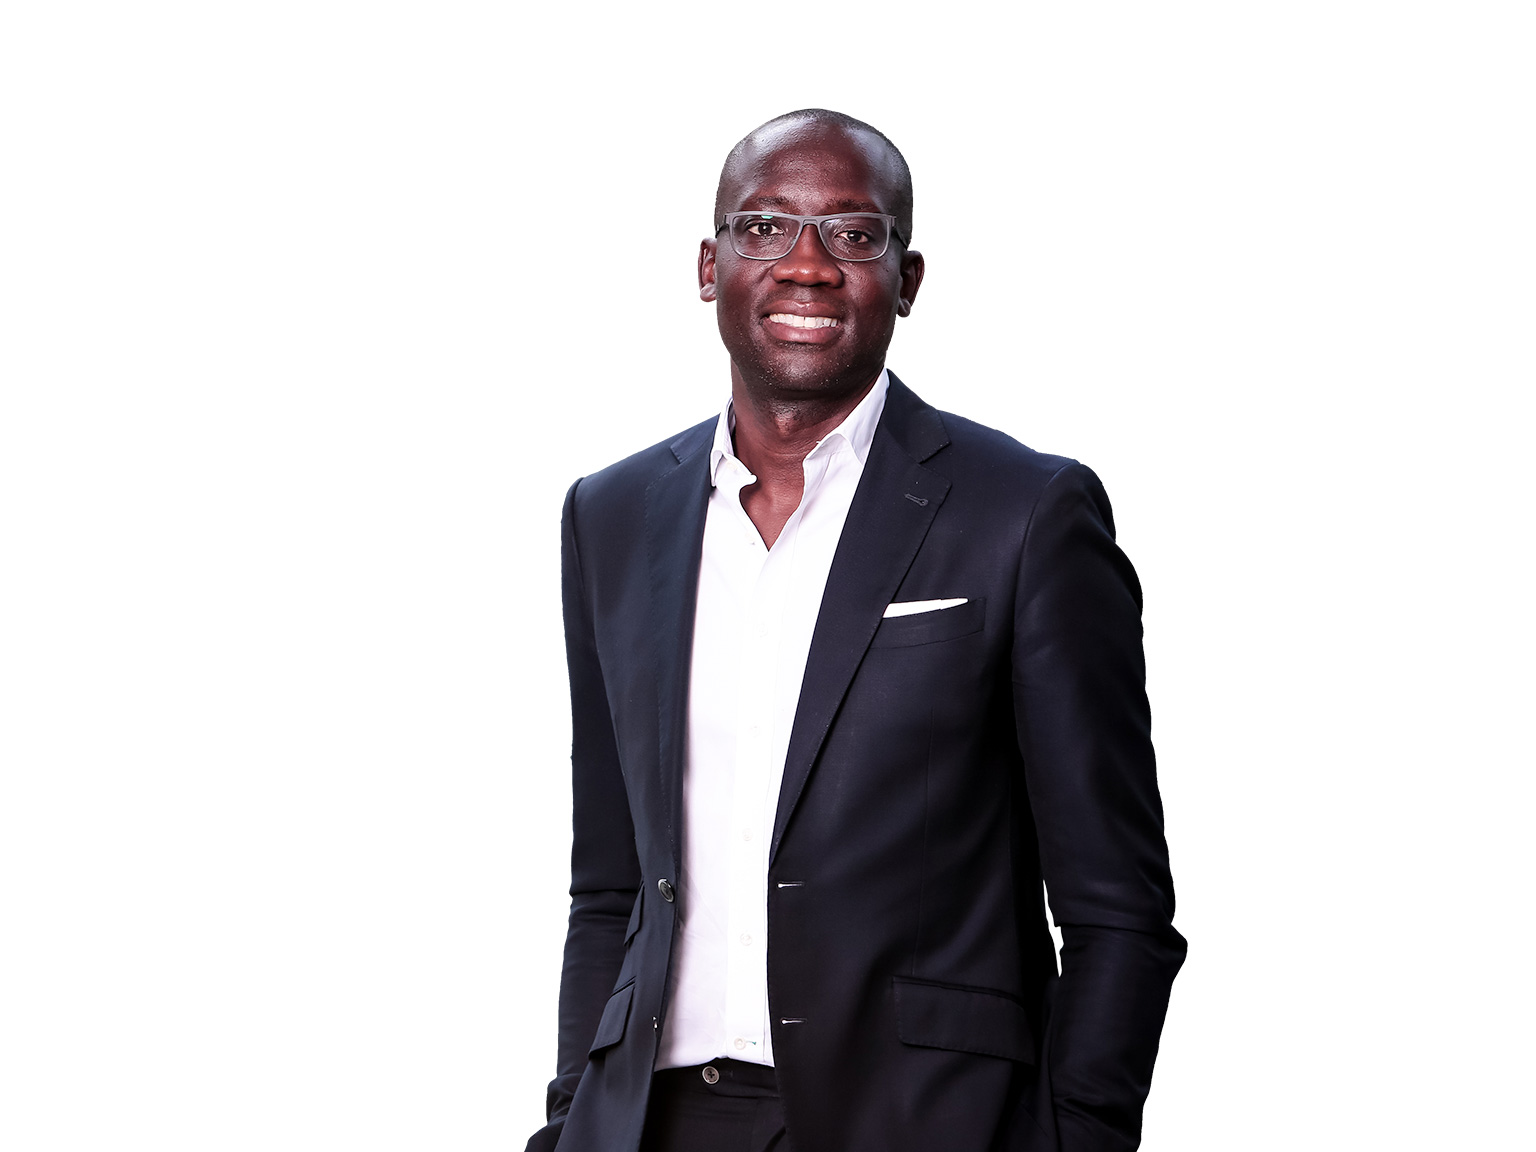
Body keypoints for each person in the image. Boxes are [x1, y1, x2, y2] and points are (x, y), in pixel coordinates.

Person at [526, 109, 1185, 1152]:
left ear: (906, 280)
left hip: (924, 1123)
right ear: (708, 267)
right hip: (651, 1122)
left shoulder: (1022, 514)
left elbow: (1119, 911)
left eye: (854, 233)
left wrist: (1077, 1140)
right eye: (764, 226)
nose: (807, 264)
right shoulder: (611, 517)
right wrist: (571, 1120)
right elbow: (609, 887)